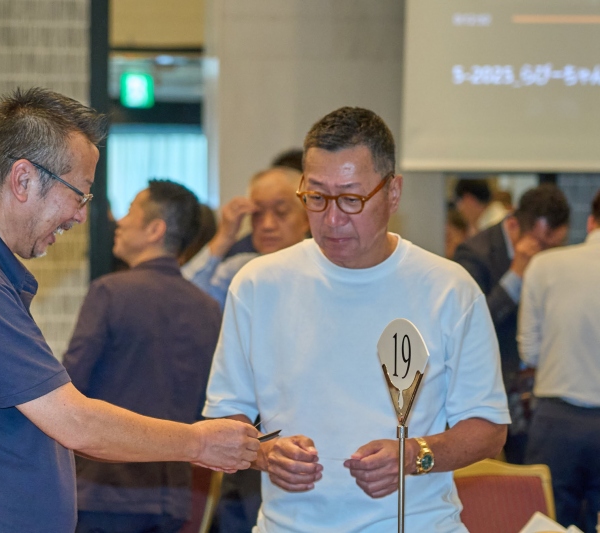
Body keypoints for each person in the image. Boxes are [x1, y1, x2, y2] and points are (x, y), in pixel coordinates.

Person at [0, 87, 259, 532]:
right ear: (23, 179)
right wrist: (198, 442)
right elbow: (75, 422)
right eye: (80, 194)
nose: (79, 217)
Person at [203, 106, 510, 532]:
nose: (332, 219)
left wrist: (414, 455)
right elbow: (225, 415)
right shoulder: (259, 284)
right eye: (316, 198)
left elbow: (488, 428)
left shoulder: (447, 288)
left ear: (393, 192)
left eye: (351, 199)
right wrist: (264, 453)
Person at [63, 179, 223, 533]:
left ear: (155, 229)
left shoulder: (110, 292)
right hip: (173, 494)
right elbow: (208, 403)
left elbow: (68, 387)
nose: (119, 221)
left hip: (105, 488)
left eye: (131, 212)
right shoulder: (208, 309)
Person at [453, 184, 570, 464]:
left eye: (555, 246)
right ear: (515, 225)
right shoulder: (474, 253)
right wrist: (516, 274)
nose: (547, 254)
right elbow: (467, 324)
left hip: (541, 390)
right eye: (541, 244)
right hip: (494, 387)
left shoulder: (552, 261)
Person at [518, 188, 600, 532]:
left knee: (548, 523)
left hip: (557, 420)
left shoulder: (545, 265)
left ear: (591, 221)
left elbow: (529, 351)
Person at [182, 167, 309, 308]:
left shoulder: (321, 270)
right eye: (257, 213)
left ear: (307, 218)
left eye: (281, 212)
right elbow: (179, 296)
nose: (267, 225)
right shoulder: (241, 269)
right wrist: (223, 238)